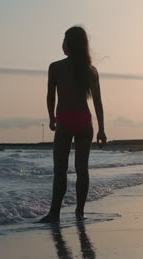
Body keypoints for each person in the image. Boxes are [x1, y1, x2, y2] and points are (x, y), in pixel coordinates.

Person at [39, 26, 107, 223]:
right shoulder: (90, 70)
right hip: (85, 121)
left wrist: (51, 117)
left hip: (66, 120)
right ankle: (80, 212)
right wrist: (101, 129)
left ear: (69, 44)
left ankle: (54, 213)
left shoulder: (56, 67)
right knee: (82, 170)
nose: (62, 44)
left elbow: (51, 96)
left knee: (60, 170)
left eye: (64, 40)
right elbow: (98, 102)